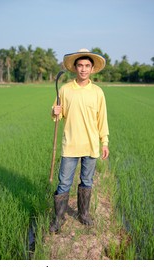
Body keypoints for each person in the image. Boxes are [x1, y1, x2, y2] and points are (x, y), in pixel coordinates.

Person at [50, 48, 109, 233]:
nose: (83, 69)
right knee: (64, 183)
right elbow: (57, 115)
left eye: (87, 66)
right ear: (75, 67)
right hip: (71, 145)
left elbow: (102, 119)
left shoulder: (98, 92)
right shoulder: (66, 90)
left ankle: (83, 215)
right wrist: (55, 112)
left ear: (92, 69)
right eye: (80, 65)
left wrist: (104, 141)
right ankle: (59, 219)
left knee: (87, 181)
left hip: (91, 145)